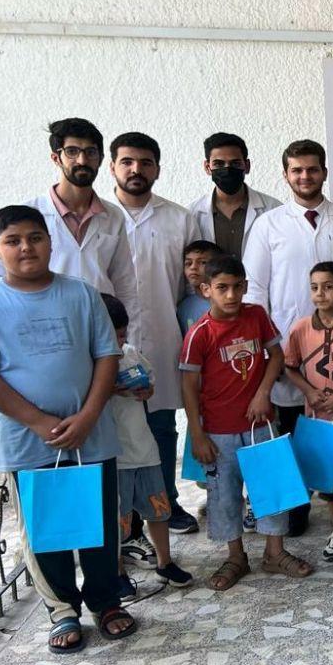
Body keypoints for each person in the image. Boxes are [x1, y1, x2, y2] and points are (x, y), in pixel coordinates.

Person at [0, 205, 136, 653]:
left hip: (91, 436)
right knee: (46, 532)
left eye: (35, 238)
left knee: (100, 525)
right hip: (29, 441)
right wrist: (40, 422)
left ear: (49, 242)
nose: (26, 248)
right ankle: (62, 611)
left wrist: (88, 416)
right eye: (13, 241)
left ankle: (107, 602)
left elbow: (107, 356)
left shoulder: (81, 294)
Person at [243, 139, 333, 535]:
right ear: (286, 175)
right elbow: (255, 290)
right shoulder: (268, 225)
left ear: (324, 172)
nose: (305, 176)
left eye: (312, 169)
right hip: (289, 349)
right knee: (288, 434)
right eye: (297, 170)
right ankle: (292, 515)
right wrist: (265, 347)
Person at [180, 255, 314, 591]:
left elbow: (276, 355)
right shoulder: (199, 334)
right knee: (224, 496)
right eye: (222, 288)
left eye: (237, 287)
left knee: (272, 488)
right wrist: (197, 434)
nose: (231, 295)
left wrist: (263, 392)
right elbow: (188, 385)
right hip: (219, 430)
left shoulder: (256, 316)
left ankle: (274, 552)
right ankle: (235, 556)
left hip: (260, 423)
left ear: (245, 287)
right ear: (206, 289)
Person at [107, 131, 202, 536]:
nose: (136, 170)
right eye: (127, 162)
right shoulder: (102, 219)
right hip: (109, 344)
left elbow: (191, 283)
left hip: (163, 338)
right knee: (115, 428)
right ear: (112, 167)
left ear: (158, 169)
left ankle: (166, 505)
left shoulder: (179, 219)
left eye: (145, 163)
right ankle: (124, 518)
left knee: (162, 426)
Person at [0, 118, 139, 338]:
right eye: (72, 151)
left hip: (102, 330)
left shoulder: (113, 216)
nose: (82, 160)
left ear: (101, 159)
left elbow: (125, 285)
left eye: (91, 152)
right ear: (56, 158)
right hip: (45, 332)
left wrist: (128, 338)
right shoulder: (28, 215)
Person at [100, 294, 193, 595]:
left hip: (143, 446)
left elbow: (150, 382)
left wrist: (144, 391)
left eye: (122, 335)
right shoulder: (89, 364)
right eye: (112, 337)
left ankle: (165, 562)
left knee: (158, 508)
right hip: (113, 455)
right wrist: (109, 388)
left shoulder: (130, 354)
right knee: (117, 518)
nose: (119, 343)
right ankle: (117, 572)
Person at [283, 261, 333, 563]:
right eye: (314, 288)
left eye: (328, 287)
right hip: (320, 418)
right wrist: (309, 391)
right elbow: (290, 367)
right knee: (330, 479)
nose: (320, 294)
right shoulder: (301, 328)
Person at [188, 132, 281, 260]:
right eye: (218, 164)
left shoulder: (274, 209)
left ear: (247, 166)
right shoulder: (191, 214)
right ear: (207, 167)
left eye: (235, 163)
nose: (227, 169)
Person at [178, 240, 223, 335]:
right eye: (188, 263)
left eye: (202, 262)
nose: (193, 267)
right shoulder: (184, 307)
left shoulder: (228, 302)